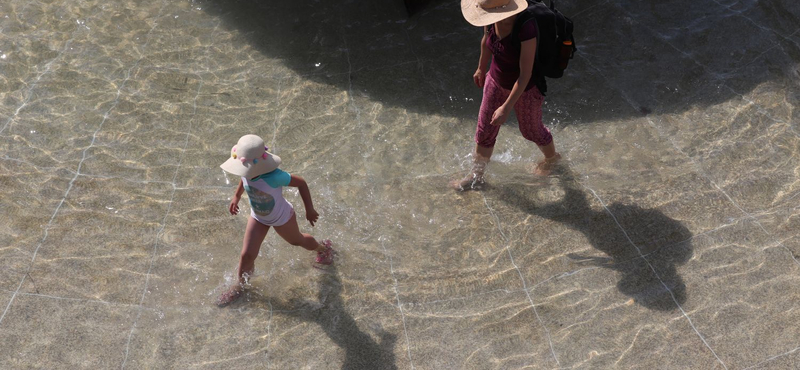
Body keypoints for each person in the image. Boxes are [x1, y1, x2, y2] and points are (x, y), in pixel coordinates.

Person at [452, 0, 561, 190]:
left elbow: (525, 74)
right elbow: (486, 41)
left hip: (525, 88)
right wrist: (480, 67)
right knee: (484, 131)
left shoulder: (525, 28)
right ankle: (476, 177)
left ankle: (552, 159)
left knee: (531, 131)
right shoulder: (490, 17)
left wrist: (506, 107)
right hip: (495, 80)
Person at [217, 134, 334, 306]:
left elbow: (301, 183)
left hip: (281, 216)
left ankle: (323, 248)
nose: (244, 171)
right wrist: (236, 196)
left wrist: (310, 209)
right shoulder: (247, 170)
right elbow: (244, 178)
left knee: (298, 241)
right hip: (258, 217)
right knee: (247, 254)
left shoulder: (274, 176)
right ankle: (239, 287)